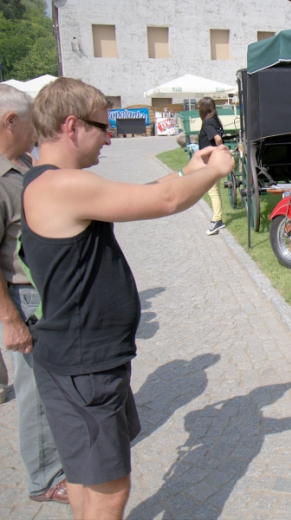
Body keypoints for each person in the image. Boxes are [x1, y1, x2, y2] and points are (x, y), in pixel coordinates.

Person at [19, 77, 234, 520]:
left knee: (85, 475)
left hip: (75, 359)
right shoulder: (62, 186)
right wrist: (216, 170)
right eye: (103, 127)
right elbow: (165, 200)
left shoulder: (47, 180)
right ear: (72, 126)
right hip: (86, 366)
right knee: (108, 489)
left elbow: (145, 192)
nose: (110, 138)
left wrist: (187, 169)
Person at [0, 84, 69, 503]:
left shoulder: (23, 164)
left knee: (51, 382)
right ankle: (44, 477)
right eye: (31, 124)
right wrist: (9, 319)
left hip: (43, 293)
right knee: (34, 389)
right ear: (9, 121)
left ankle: (62, 456)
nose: (36, 132)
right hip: (22, 299)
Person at [197, 96, 226, 235]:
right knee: (215, 190)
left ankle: (217, 220)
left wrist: (219, 151)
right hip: (215, 161)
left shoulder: (207, 123)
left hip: (211, 161)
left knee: (213, 191)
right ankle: (217, 218)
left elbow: (218, 139)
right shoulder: (215, 121)